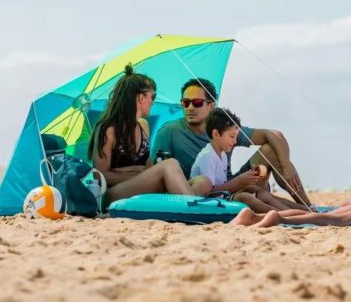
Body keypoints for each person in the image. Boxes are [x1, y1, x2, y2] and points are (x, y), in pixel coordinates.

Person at [155, 78, 313, 208]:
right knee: (259, 195)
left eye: (196, 102)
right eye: (185, 102)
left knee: (270, 151)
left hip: (231, 185)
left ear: (211, 106)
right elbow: (156, 170)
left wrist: (287, 167)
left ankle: (306, 206)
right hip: (204, 191)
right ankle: (293, 214)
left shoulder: (225, 128)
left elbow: (273, 134)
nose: (190, 108)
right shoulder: (169, 132)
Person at [87, 64, 211, 206]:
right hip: (114, 195)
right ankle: (192, 208)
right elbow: (99, 176)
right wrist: (138, 172)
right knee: (170, 165)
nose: (153, 101)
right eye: (153, 96)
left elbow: (148, 170)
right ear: (141, 97)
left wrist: (138, 171)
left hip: (140, 191)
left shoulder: (143, 127)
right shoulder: (108, 129)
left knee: (203, 181)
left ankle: (175, 205)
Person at [190, 107, 309, 212]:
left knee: (257, 190)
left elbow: (223, 185)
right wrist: (240, 181)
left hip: (223, 196)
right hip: (212, 201)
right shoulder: (207, 157)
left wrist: (247, 180)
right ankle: (284, 214)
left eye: (236, 137)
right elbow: (210, 192)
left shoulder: (222, 155)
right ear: (216, 134)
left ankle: (304, 210)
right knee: (246, 197)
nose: (235, 141)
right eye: (231, 137)